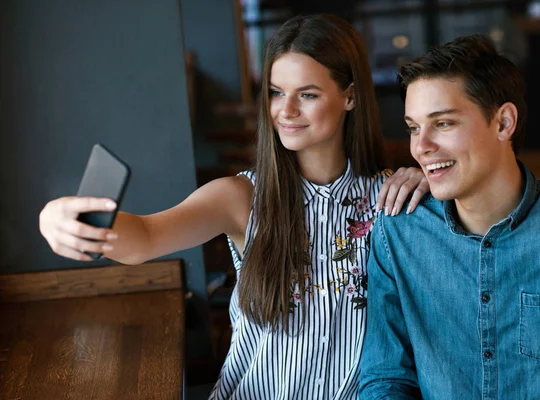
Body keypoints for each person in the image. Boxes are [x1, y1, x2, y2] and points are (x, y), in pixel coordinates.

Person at [39, 14, 429, 399]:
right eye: (276, 92)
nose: (286, 110)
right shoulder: (240, 197)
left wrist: (434, 181)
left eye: (307, 94)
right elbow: (145, 236)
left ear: (350, 96)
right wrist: (59, 218)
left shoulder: (390, 197)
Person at [359, 34, 540, 399]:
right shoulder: (398, 234)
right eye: (413, 127)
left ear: (504, 123)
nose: (420, 147)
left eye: (442, 124)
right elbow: (387, 379)